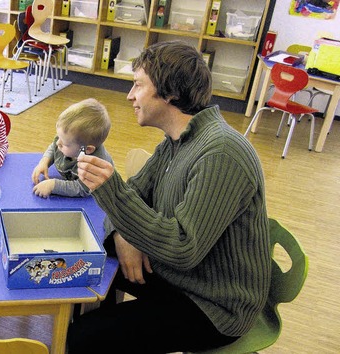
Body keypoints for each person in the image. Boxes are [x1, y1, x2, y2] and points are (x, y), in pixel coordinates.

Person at [68, 41, 272, 353]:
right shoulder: (176, 141)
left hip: (215, 304)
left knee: (84, 337)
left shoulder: (222, 153)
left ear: (171, 93)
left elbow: (182, 248)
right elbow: (134, 194)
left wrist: (112, 193)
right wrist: (123, 234)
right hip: (182, 277)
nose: (130, 96)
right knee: (94, 262)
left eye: (138, 85)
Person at [31, 98, 113, 198]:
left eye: (65, 144)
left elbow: (82, 189)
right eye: (59, 137)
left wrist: (53, 185)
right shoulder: (67, 141)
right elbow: (53, 147)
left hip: (97, 199)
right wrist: (44, 162)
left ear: (87, 149)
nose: (58, 143)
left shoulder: (94, 165)